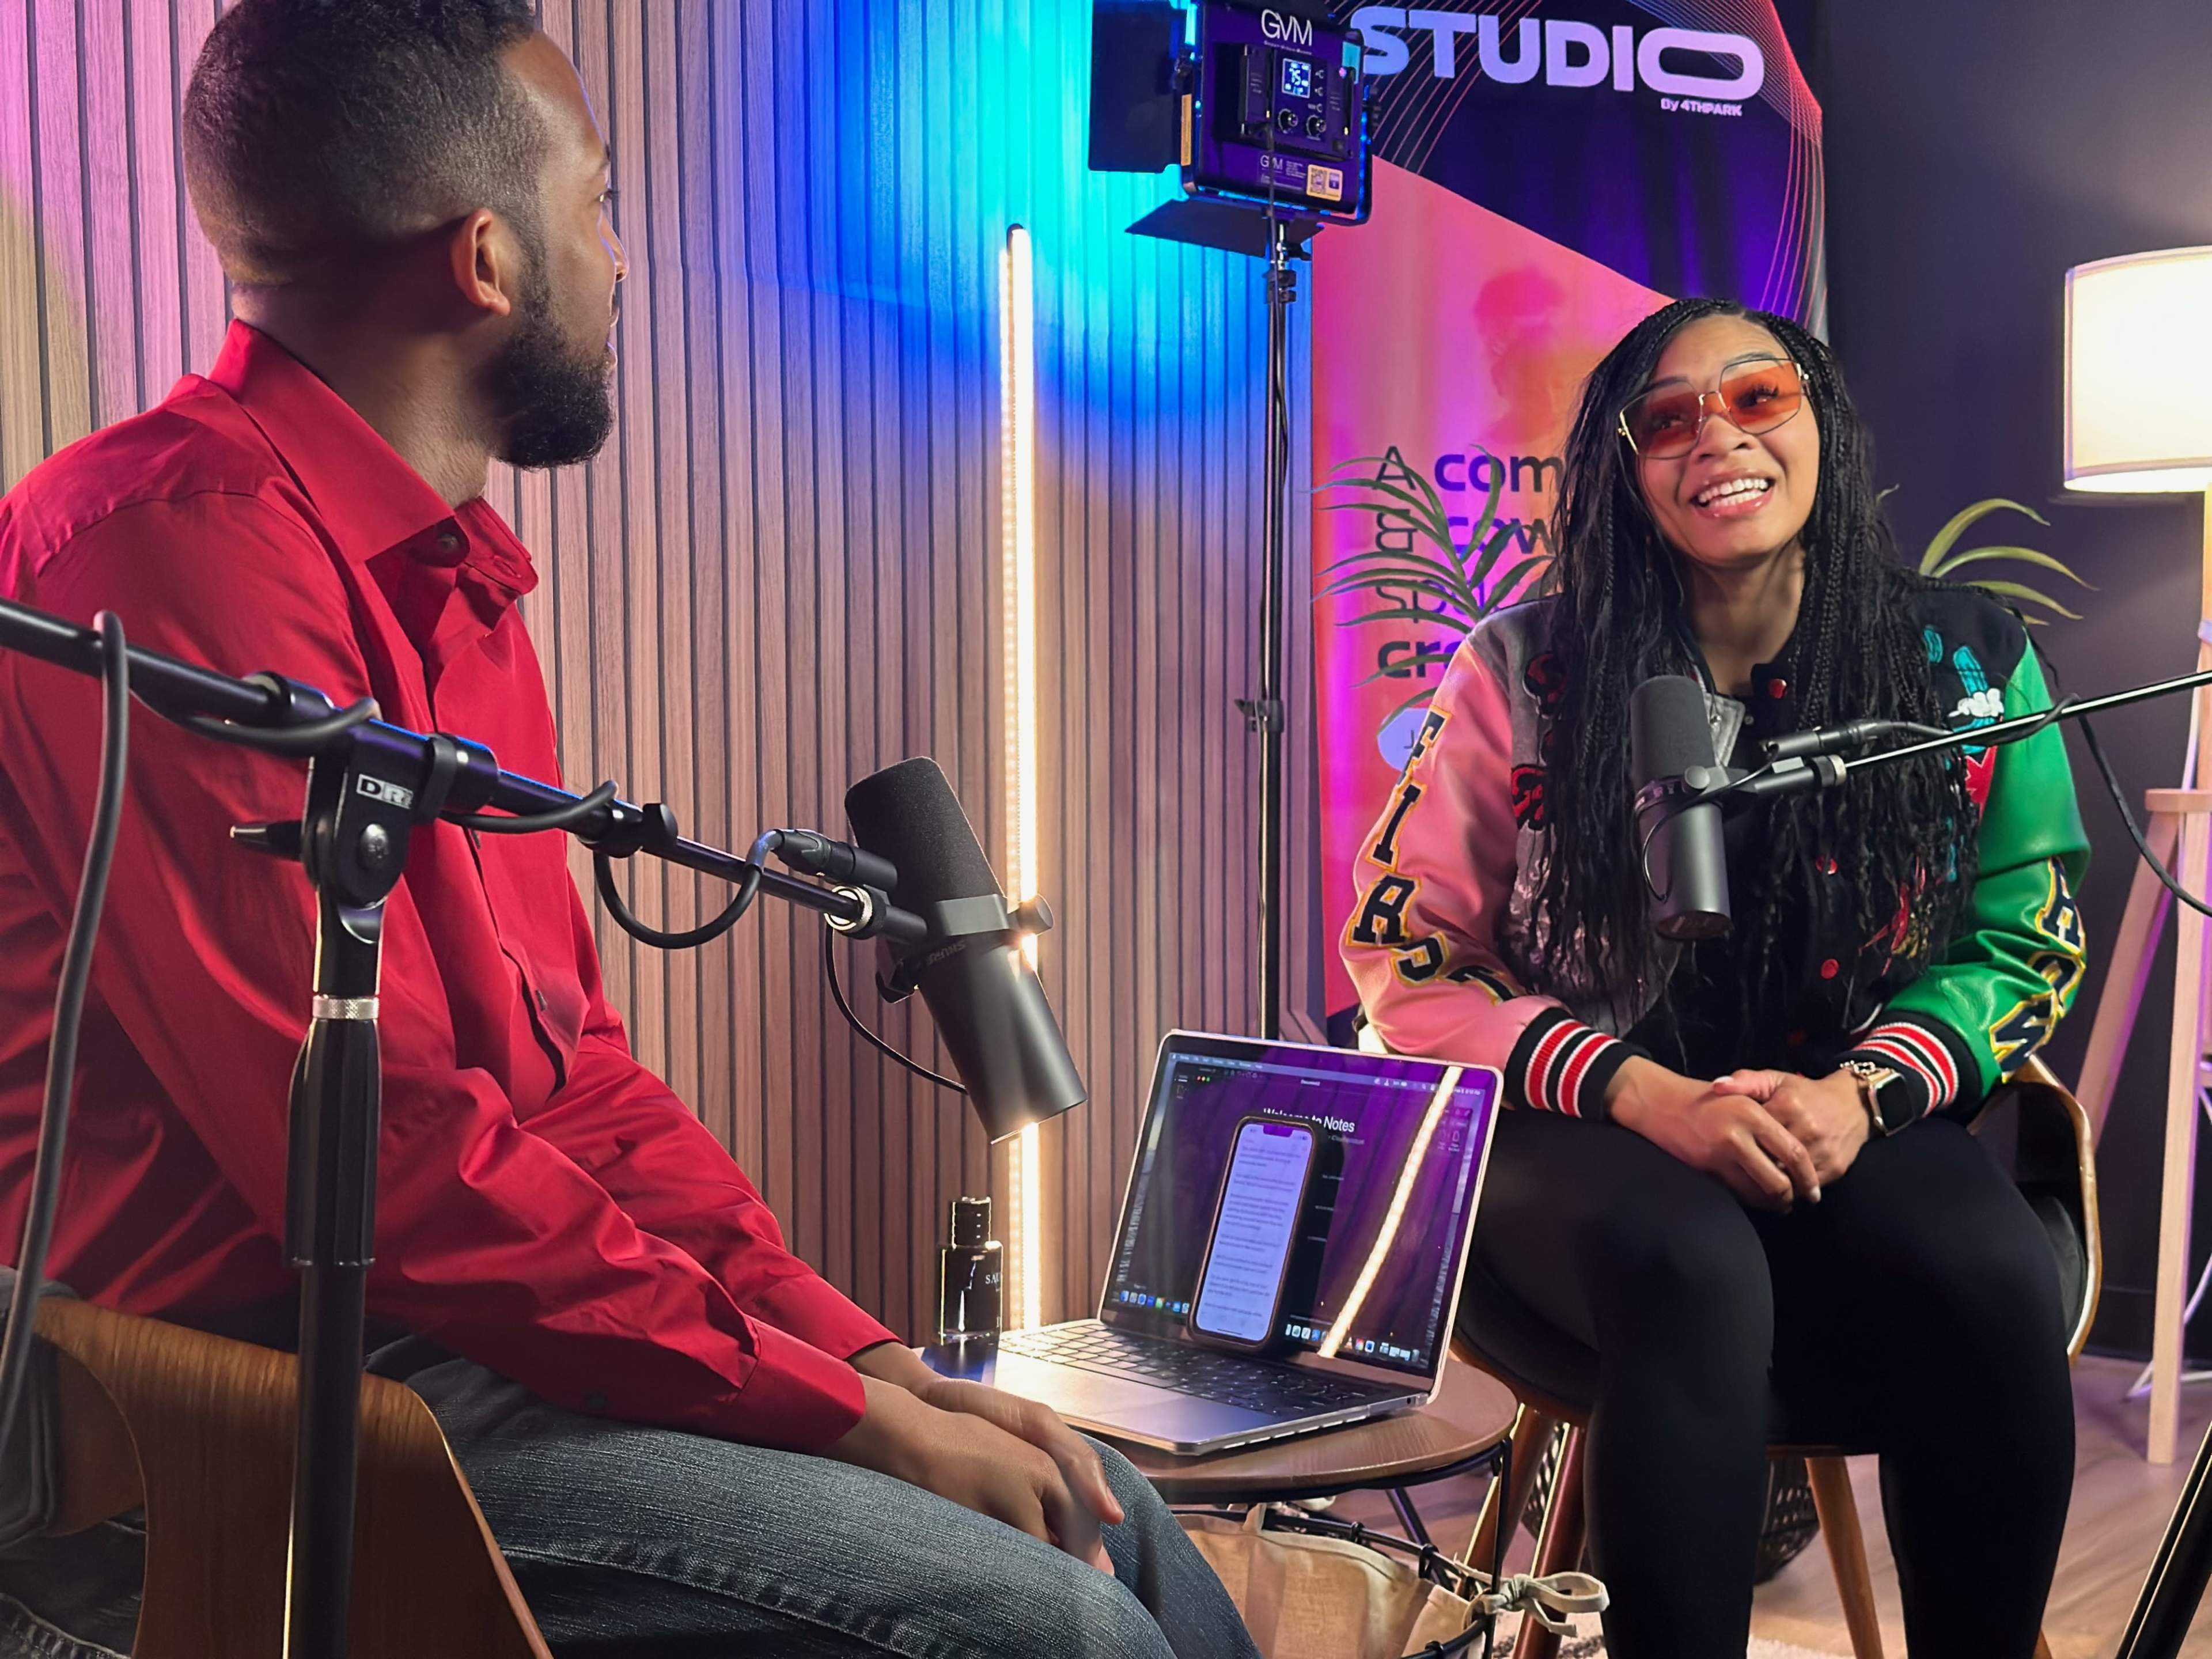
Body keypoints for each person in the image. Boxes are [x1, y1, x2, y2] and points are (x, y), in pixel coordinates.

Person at [0, 5, 1259, 1657]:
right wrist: (839, 1419)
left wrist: (857, 1355)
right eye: (599, 202)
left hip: (458, 1349)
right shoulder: (164, 549)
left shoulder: (454, 585)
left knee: (1111, 1506)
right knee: (1048, 1626)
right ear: (486, 261)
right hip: (227, 1411)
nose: (621, 256)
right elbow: (389, 1163)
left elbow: (568, 1073)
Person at [1344, 297, 2088, 1657]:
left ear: (1819, 425)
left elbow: (2022, 934)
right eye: (1669, 420)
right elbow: (1406, 957)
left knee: (1991, 1274)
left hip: (1847, 1103)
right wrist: (1640, 1095)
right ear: (1628, 469)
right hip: (1583, 1128)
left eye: (1758, 399)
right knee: (1689, 1266)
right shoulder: (1523, 670)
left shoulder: (1970, 662)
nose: (1719, 441)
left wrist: (1867, 1091)